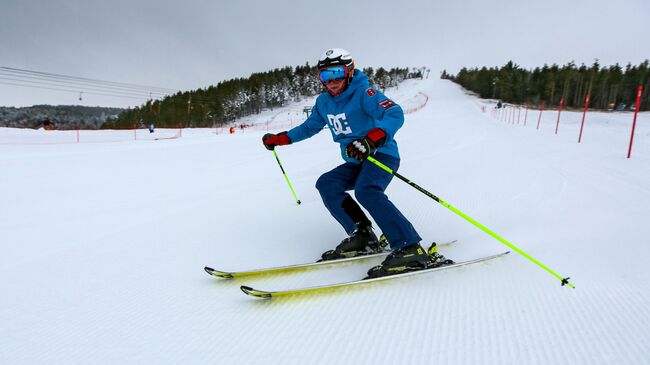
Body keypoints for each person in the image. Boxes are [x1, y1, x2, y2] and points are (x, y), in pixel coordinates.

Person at [262, 48, 441, 277]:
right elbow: (309, 127)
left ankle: (409, 247)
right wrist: (282, 139)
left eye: (337, 73)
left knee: (366, 190)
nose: (332, 81)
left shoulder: (363, 93)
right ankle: (363, 235)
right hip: (356, 160)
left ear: (349, 71)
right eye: (325, 75)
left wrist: (372, 139)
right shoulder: (324, 102)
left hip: (380, 154)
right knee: (327, 184)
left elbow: (395, 113)